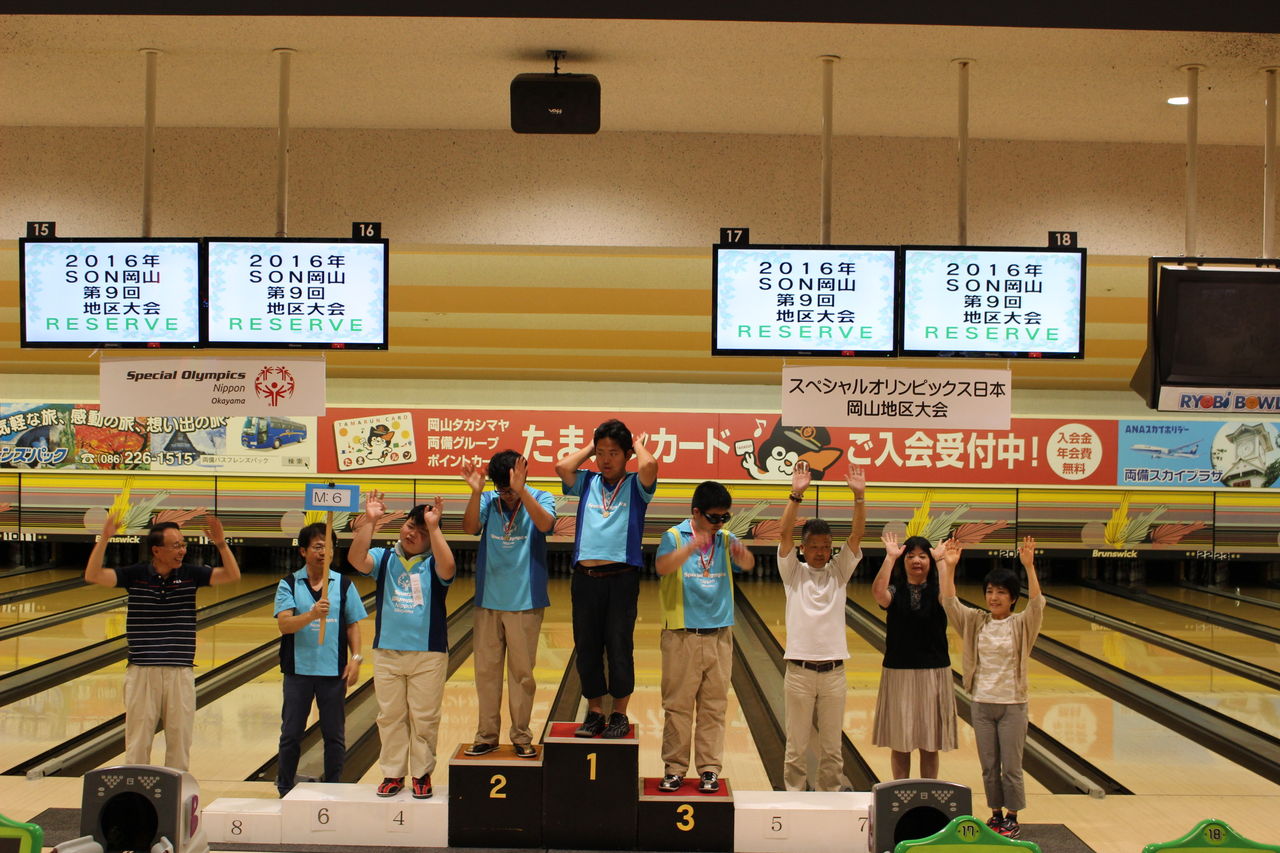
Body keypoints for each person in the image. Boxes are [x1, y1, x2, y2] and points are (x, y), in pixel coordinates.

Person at [84, 511, 241, 770]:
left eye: (183, 544)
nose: (182, 550)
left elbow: (232, 576)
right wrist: (104, 539)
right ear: (157, 550)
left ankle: (175, 796)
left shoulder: (192, 574)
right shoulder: (135, 575)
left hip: (179, 670)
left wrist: (221, 544)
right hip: (141, 669)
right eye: (176, 545)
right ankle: (135, 798)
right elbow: (93, 575)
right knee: (138, 741)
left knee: (180, 741)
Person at [348, 491, 455, 799]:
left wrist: (435, 529)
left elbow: (448, 569)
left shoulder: (435, 563)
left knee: (424, 718)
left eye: (421, 533)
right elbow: (356, 559)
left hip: (429, 654)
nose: (412, 534)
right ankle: (393, 774)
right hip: (387, 651)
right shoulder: (385, 559)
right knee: (390, 716)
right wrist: (369, 521)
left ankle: (421, 774)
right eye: (411, 525)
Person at [555, 418, 658, 739]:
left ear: (626, 454)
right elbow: (562, 467)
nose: (605, 459)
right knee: (586, 647)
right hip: (585, 578)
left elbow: (651, 464)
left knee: (618, 646)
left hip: (621, 578)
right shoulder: (586, 481)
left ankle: (619, 714)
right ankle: (595, 712)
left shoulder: (637, 486)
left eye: (613, 452)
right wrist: (592, 444)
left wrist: (636, 445)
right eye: (601, 453)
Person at [940, 536, 1044, 839]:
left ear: (1012, 598)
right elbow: (950, 603)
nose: (994, 597)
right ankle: (996, 814)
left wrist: (1030, 566)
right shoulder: (975, 621)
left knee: (1011, 766)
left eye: (1001, 592)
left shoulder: (1022, 624)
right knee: (988, 766)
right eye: (990, 591)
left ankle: (1013, 817)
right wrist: (949, 568)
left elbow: (1037, 603)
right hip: (982, 703)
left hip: (1013, 705)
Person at [654, 480, 754, 794]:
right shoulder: (673, 536)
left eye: (724, 517)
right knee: (678, 707)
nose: (720, 523)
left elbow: (748, 564)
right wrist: (689, 548)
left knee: (714, 707)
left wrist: (742, 553)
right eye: (714, 517)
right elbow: (661, 567)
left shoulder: (726, 538)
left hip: (720, 635)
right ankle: (674, 768)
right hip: (681, 635)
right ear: (696, 513)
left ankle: (709, 769)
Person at [776, 460, 866, 791]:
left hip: (834, 675)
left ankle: (829, 800)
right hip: (798, 673)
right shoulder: (793, 573)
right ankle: (795, 801)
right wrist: (796, 494)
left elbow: (857, 535)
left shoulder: (839, 573)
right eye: (814, 546)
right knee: (795, 750)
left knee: (832, 752)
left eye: (826, 546)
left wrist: (859, 498)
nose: (820, 552)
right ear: (803, 548)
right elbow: (784, 531)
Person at [460, 450, 556, 759]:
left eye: (510, 488)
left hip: (526, 602)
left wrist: (522, 490)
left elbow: (545, 525)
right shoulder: (489, 500)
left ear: (524, 472)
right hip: (488, 600)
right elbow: (469, 528)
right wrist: (477, 493)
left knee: (522, 674)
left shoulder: (541, 496)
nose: (507, 495)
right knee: (486, 672)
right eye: (503, 489)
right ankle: (486, 736)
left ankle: (521, 735)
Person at [273, 522, 368, 796]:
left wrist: (356, 659)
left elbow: (352, 625)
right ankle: (284, 786)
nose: (323, 552)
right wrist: (313, 614)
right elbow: (285, 625)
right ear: (303, 551)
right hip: (298, 672)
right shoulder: (288, 584)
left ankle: (334, 788)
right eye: (317, 547)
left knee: (334, 737)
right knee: (291, 734)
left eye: (328, 547)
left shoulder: (343, 584)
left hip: (333, 672)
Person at [872, 530, 956, 779]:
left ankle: (928, 795)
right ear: (904, 561)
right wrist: (889, 558)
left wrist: (941, 561)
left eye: (923, 556)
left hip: (934, 670)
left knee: (930, 744)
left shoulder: (938, 591)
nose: (917, 560)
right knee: (900, 743)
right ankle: (900, 792)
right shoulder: (895, 591)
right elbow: (879, 594)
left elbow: (949, 600)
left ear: (929, 561)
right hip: (898, 670)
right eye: (911, 556)